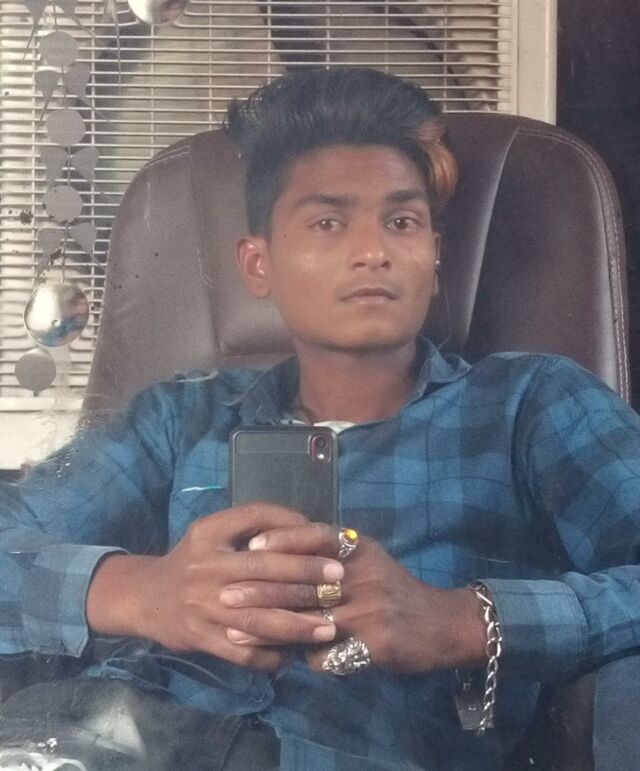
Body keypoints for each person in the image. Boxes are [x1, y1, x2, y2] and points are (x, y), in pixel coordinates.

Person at [0, 66, 639, 771]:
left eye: (402, 221)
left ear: (434, 255)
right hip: (92, 737)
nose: (373, 251)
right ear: (259, 264)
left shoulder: (529, 404)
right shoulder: (181, 415)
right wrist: (139, 591)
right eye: (328, 222)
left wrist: (464, 619)